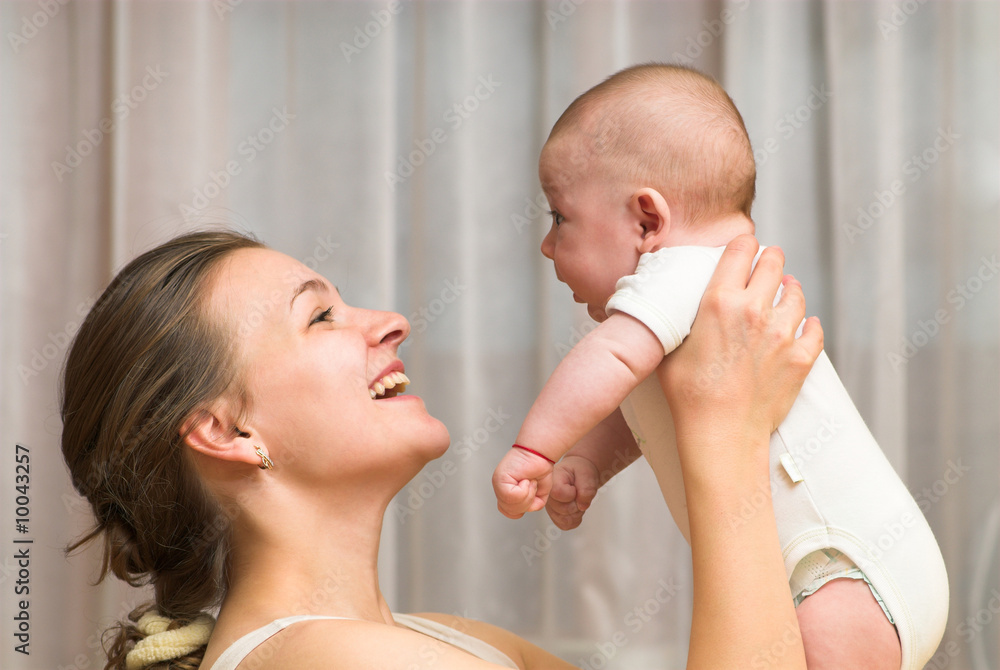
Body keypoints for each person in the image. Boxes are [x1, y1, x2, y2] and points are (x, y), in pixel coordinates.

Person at [61, 228, 819, 670]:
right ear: (229, 433)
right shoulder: (320, 661)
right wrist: (724, 434)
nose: (390, 320)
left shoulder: (445, 642)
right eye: (320, 316)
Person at [491, 64, 948, 670]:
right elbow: (647, 406)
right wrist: (590, 461)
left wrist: (536, 450)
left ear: (647, 221)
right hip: (864, 565)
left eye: (559, 218)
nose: (548, 245)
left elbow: (610, 357)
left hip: (840, 569)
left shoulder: (683, 274)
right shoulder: (715, 292)